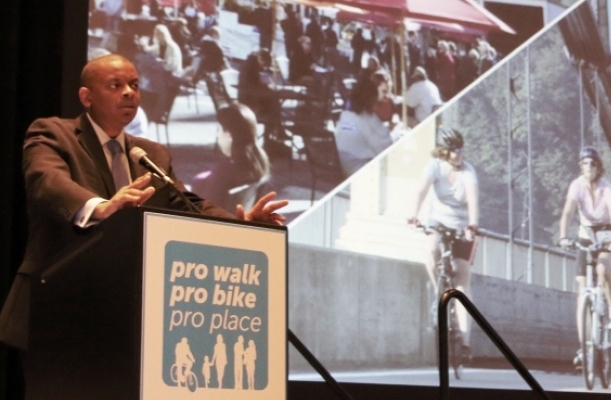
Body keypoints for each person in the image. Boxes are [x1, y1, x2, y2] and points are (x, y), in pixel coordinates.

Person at [0, 54, 287, 392]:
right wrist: (101, 206)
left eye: (134, 85)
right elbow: (46, 182)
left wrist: (242, 224)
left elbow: (186, 202)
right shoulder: (54, 133)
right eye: (115, 85)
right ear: (86, 97)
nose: (129, 93)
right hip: (57, 313)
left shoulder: (150, 155)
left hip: (123, 320)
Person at [408, 127, 479, 359]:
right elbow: (419, 191)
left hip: (462, 225)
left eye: (461, 149)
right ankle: (438, 288)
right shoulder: (434, 167)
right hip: (437, 221)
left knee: (461, 280)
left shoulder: (468, 172)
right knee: (430, 248)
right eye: (453, 150)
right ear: (444, 151)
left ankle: (466, 340)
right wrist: (413, 214)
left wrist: (472, 225)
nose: (459, 154)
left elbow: (473, 200)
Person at [559, 146, 611, 368]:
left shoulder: (606, 186)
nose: (588, 167)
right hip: (586, 234)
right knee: (581, 288)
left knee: (603, 271)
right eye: (584, 163)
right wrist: (563, 236)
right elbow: (568, 212)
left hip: (606, 232)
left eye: (592, 163)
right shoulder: (577, 185)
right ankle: (584, 345)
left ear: (599, 167)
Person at [191, 103, 270, 210]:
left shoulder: (223, 173)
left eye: (219, 129)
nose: (217, 135)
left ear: (229, 135)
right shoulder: (259, 162)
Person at [335, 77, 403, 176]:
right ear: (370, 99)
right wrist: (397, 134)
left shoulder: (345, 115)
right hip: (360, 169)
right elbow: (383, 147)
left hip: (343, 165)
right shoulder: (366, 118)